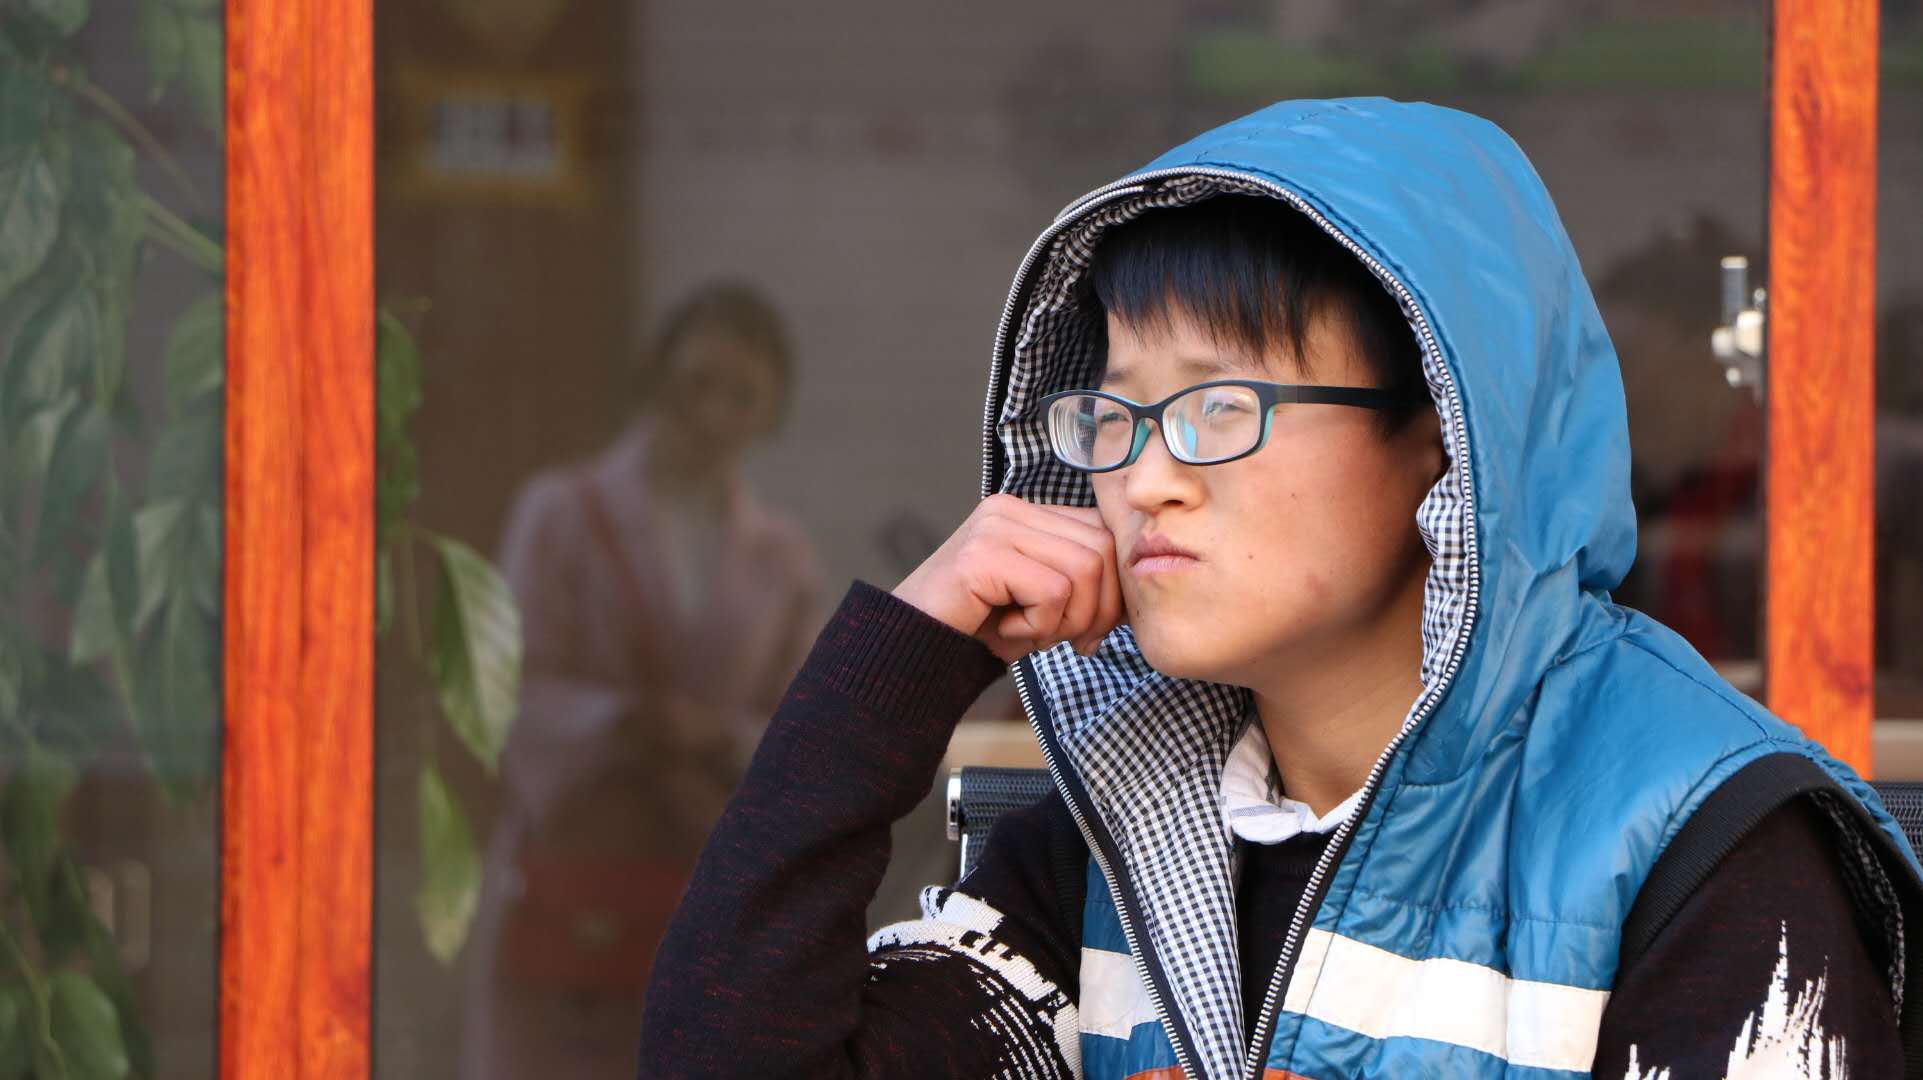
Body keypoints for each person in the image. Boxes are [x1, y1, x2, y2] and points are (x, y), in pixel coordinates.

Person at [637, 100, 1923, 1078]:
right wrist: (907, 660)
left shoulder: (1706, 851)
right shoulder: (1121, 840)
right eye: (1117, 416)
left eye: (1219, 406)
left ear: (1444, 434)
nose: (1146, 481)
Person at [462, 282, 820, 1079]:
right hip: (581, 861)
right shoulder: (560, 512)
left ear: (770, 412)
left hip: (708, 863)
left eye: (741, 396)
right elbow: (507, 690)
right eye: (696, 384)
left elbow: (805, 724)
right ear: (658, 379)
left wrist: (714, 736)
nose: (713, 414)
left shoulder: (781, 553)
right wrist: (620, 722)